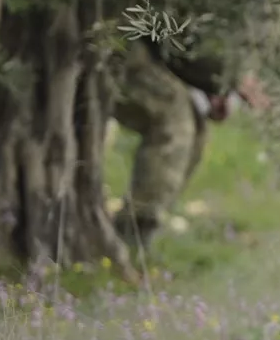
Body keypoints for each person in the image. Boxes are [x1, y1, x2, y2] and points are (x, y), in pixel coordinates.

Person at [111, 37, 269, 250]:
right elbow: (170, 30)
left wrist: (218, 87)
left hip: (150, 50)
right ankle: (134, 227)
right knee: (174, 119)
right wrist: (227, 79)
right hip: (118, 42)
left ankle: (143, 225)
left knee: (195, 128)